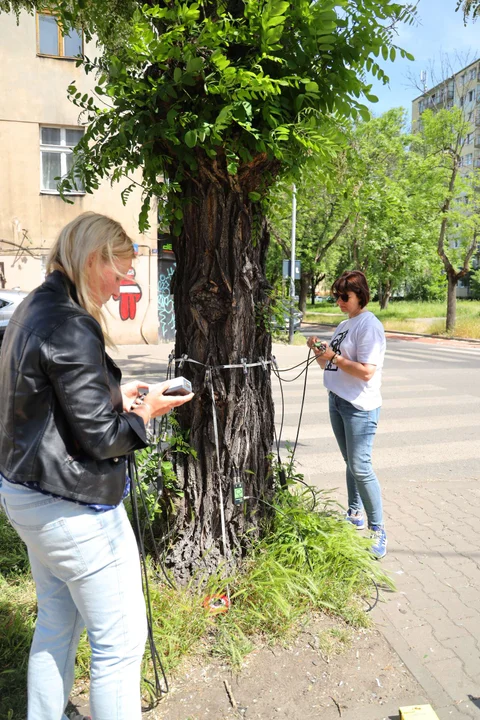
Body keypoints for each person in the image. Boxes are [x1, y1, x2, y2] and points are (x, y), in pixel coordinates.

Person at [0, 212, 194, 720]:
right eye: (122, 270)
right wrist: (145, 412)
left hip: (30, 494)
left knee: (57, 623)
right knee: (121, 646)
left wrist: (117, 392)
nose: (126, 282)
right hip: (72, 506)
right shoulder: (71, 323)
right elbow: (104, 438)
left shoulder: (36, 305)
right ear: (93, 261)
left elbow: (51, 401)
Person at [307, 270, 387, 559]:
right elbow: (329, 366)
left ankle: (378, 529)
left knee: (361, 466)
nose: (339, 301)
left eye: (345, 297)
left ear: (361, 296)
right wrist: (319, 352)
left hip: (359, 406)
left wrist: (333, 357)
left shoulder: (369, 326)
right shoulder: (345, 324)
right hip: (338, 400)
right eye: (337, 296)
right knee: (349, 462)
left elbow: (366, 372)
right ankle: (355, 513)